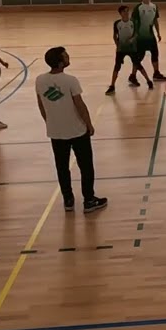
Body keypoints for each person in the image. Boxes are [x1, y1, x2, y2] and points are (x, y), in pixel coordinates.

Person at [36, 46, 106, 213]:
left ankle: (68, 200)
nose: (68, 57)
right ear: (60, 63)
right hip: (77, 131)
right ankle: (89, 199)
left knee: (62, 167)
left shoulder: (40, 80)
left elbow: (41, 103)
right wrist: (89, 124)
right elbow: (80, 105)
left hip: (56, 132)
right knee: (86, 166)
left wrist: (49, 121)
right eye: (65, 56)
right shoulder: (70, 81)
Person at [107, 5, 152, 95]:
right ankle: (112, 86)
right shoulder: (117, 23)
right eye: (124, 11)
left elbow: (136, 34)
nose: (126, 13)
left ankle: (148, 81)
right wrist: (117, 44)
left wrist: (132, 39)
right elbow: (115, 35)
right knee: (117, 67)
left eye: (127, 11)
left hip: (132, 48)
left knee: (138, 65)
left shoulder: (133, 22)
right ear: (120, 13)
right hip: (121, 49)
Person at [132, 0, 166, 82]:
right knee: (140, 56)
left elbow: (155, 21)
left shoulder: (154, 6)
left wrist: (158, 33)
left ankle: (156, 73)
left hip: (150, 35)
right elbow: (134, 22)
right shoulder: (138, 8)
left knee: (155, 53)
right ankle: (133, 75)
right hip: (141, 36)